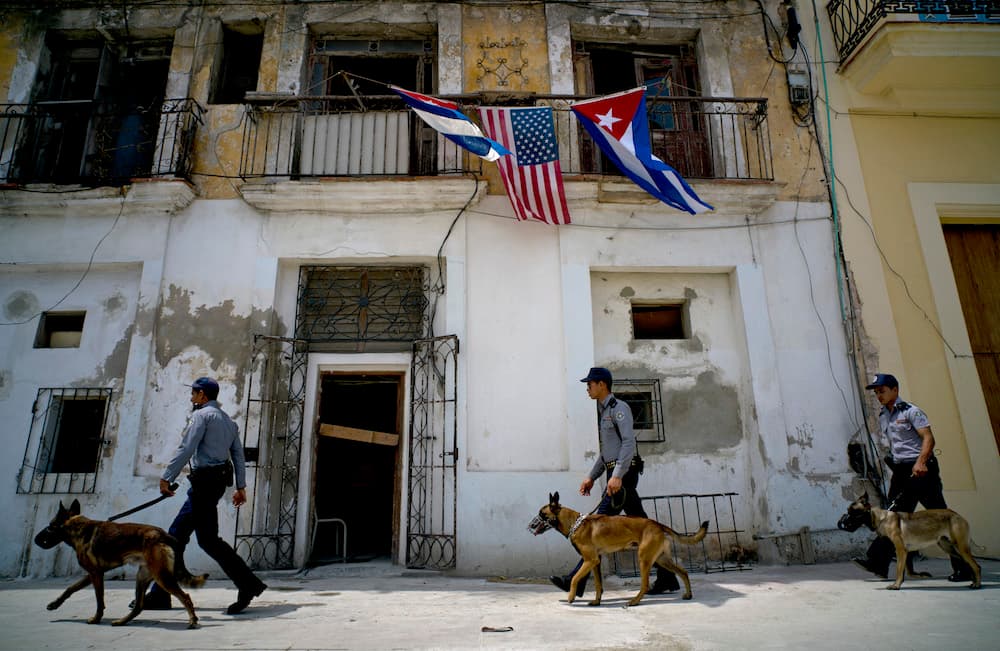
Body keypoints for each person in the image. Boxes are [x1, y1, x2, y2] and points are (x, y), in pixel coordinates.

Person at [138, 377, 268, 614]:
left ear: (203, 396)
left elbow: (187, 447)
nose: (191, 397)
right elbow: (238, 456)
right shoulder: (229, 422)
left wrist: (167, 477)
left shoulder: (201, 416)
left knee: (175, 537)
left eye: (194, 393)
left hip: (204, 484)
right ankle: (162, 594)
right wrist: (241, 487)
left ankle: (161, 594)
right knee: (204, 540)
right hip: (216, 483)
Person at [550, 367, 680, 597]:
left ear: (602, 384)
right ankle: (667, 578)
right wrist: (592, 476)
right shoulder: (604, 411)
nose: (587, 388)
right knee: (641, 527)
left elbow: (628, 444)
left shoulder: (620, 409)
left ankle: (575, 581)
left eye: (590, 384)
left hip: (624, 475)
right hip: (616, 475)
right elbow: (607, 453)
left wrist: (617, 476)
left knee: (593, 527)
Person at [852, 373, 974, 582]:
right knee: (890, 516)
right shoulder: (883, 416)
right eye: (876, 392)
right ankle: (878, 563)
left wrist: (921, 462)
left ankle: (964, 568)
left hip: (921, 470)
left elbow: (928, 438)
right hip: (901, 472)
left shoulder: (911, 411)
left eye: (882, 390)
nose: (878, 395)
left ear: (895, 390)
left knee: (941, 516)